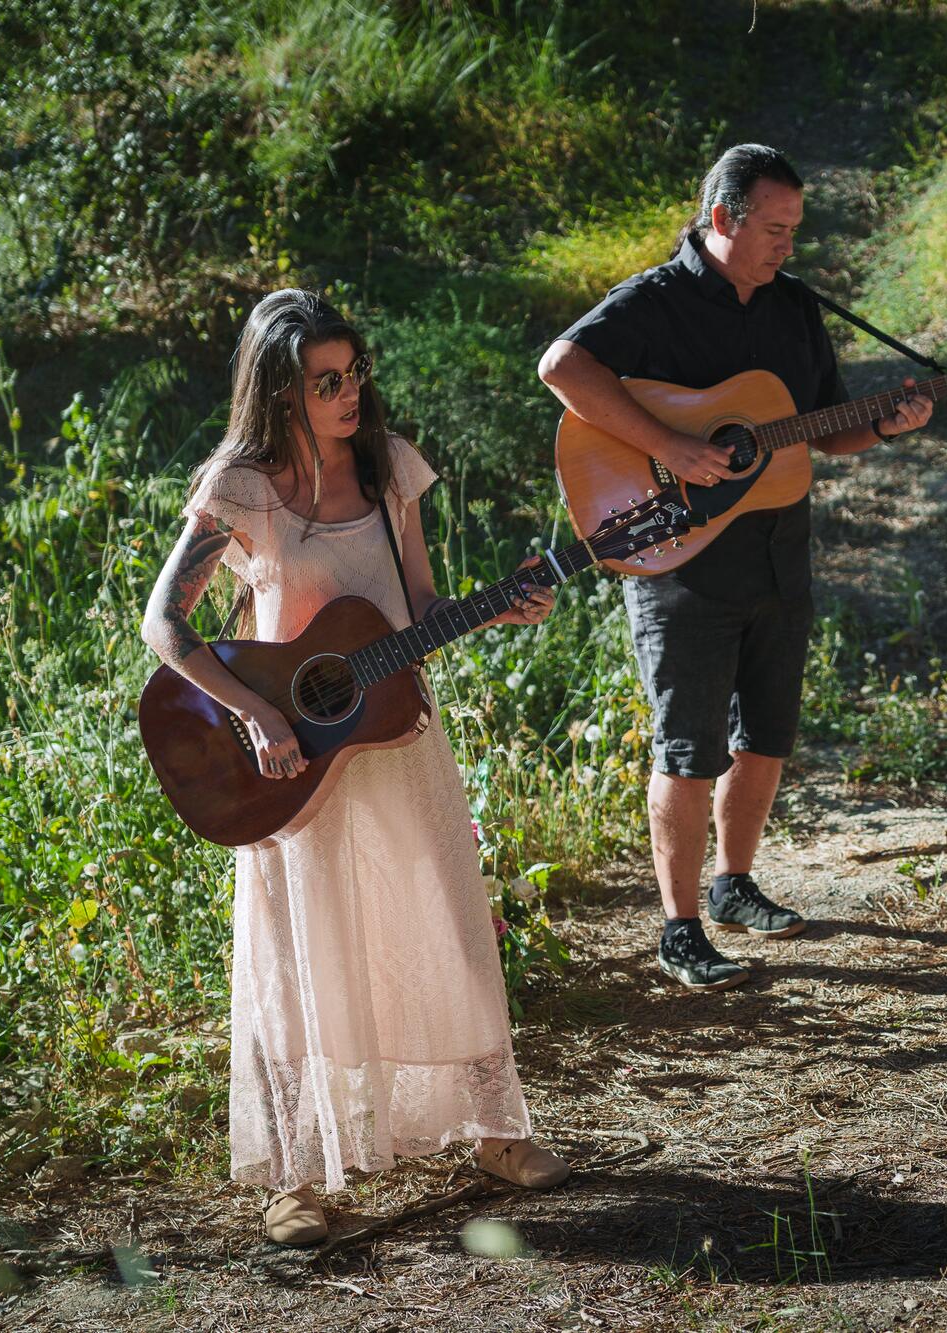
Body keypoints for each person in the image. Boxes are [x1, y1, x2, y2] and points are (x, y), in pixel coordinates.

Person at [141, 289, 570, 1247]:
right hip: (291, 758)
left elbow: (416, 604)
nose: (349, 394)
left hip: (397, 736)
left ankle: (492, 1129)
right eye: (325, 381)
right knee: (305, 960)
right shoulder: (240, 488)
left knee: (448, 925)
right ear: (281, 390)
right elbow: (163, 622)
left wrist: (492, 607)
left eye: (355, 373)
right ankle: (301, 1177)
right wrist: (256, 715)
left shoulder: (387, 471)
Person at [538, 143, 933, 991]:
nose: (789, 245)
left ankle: (734, 884)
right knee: (688, 748)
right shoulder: (655, 301)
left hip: (778, 553)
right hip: (679, 563)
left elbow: (825, 426)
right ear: (722, 218)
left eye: (797, 228)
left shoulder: (792, 308)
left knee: (768, 736)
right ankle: (679, 927)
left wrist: (890, 425)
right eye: (776, 228)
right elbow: (561, 366)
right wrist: (672, 444)